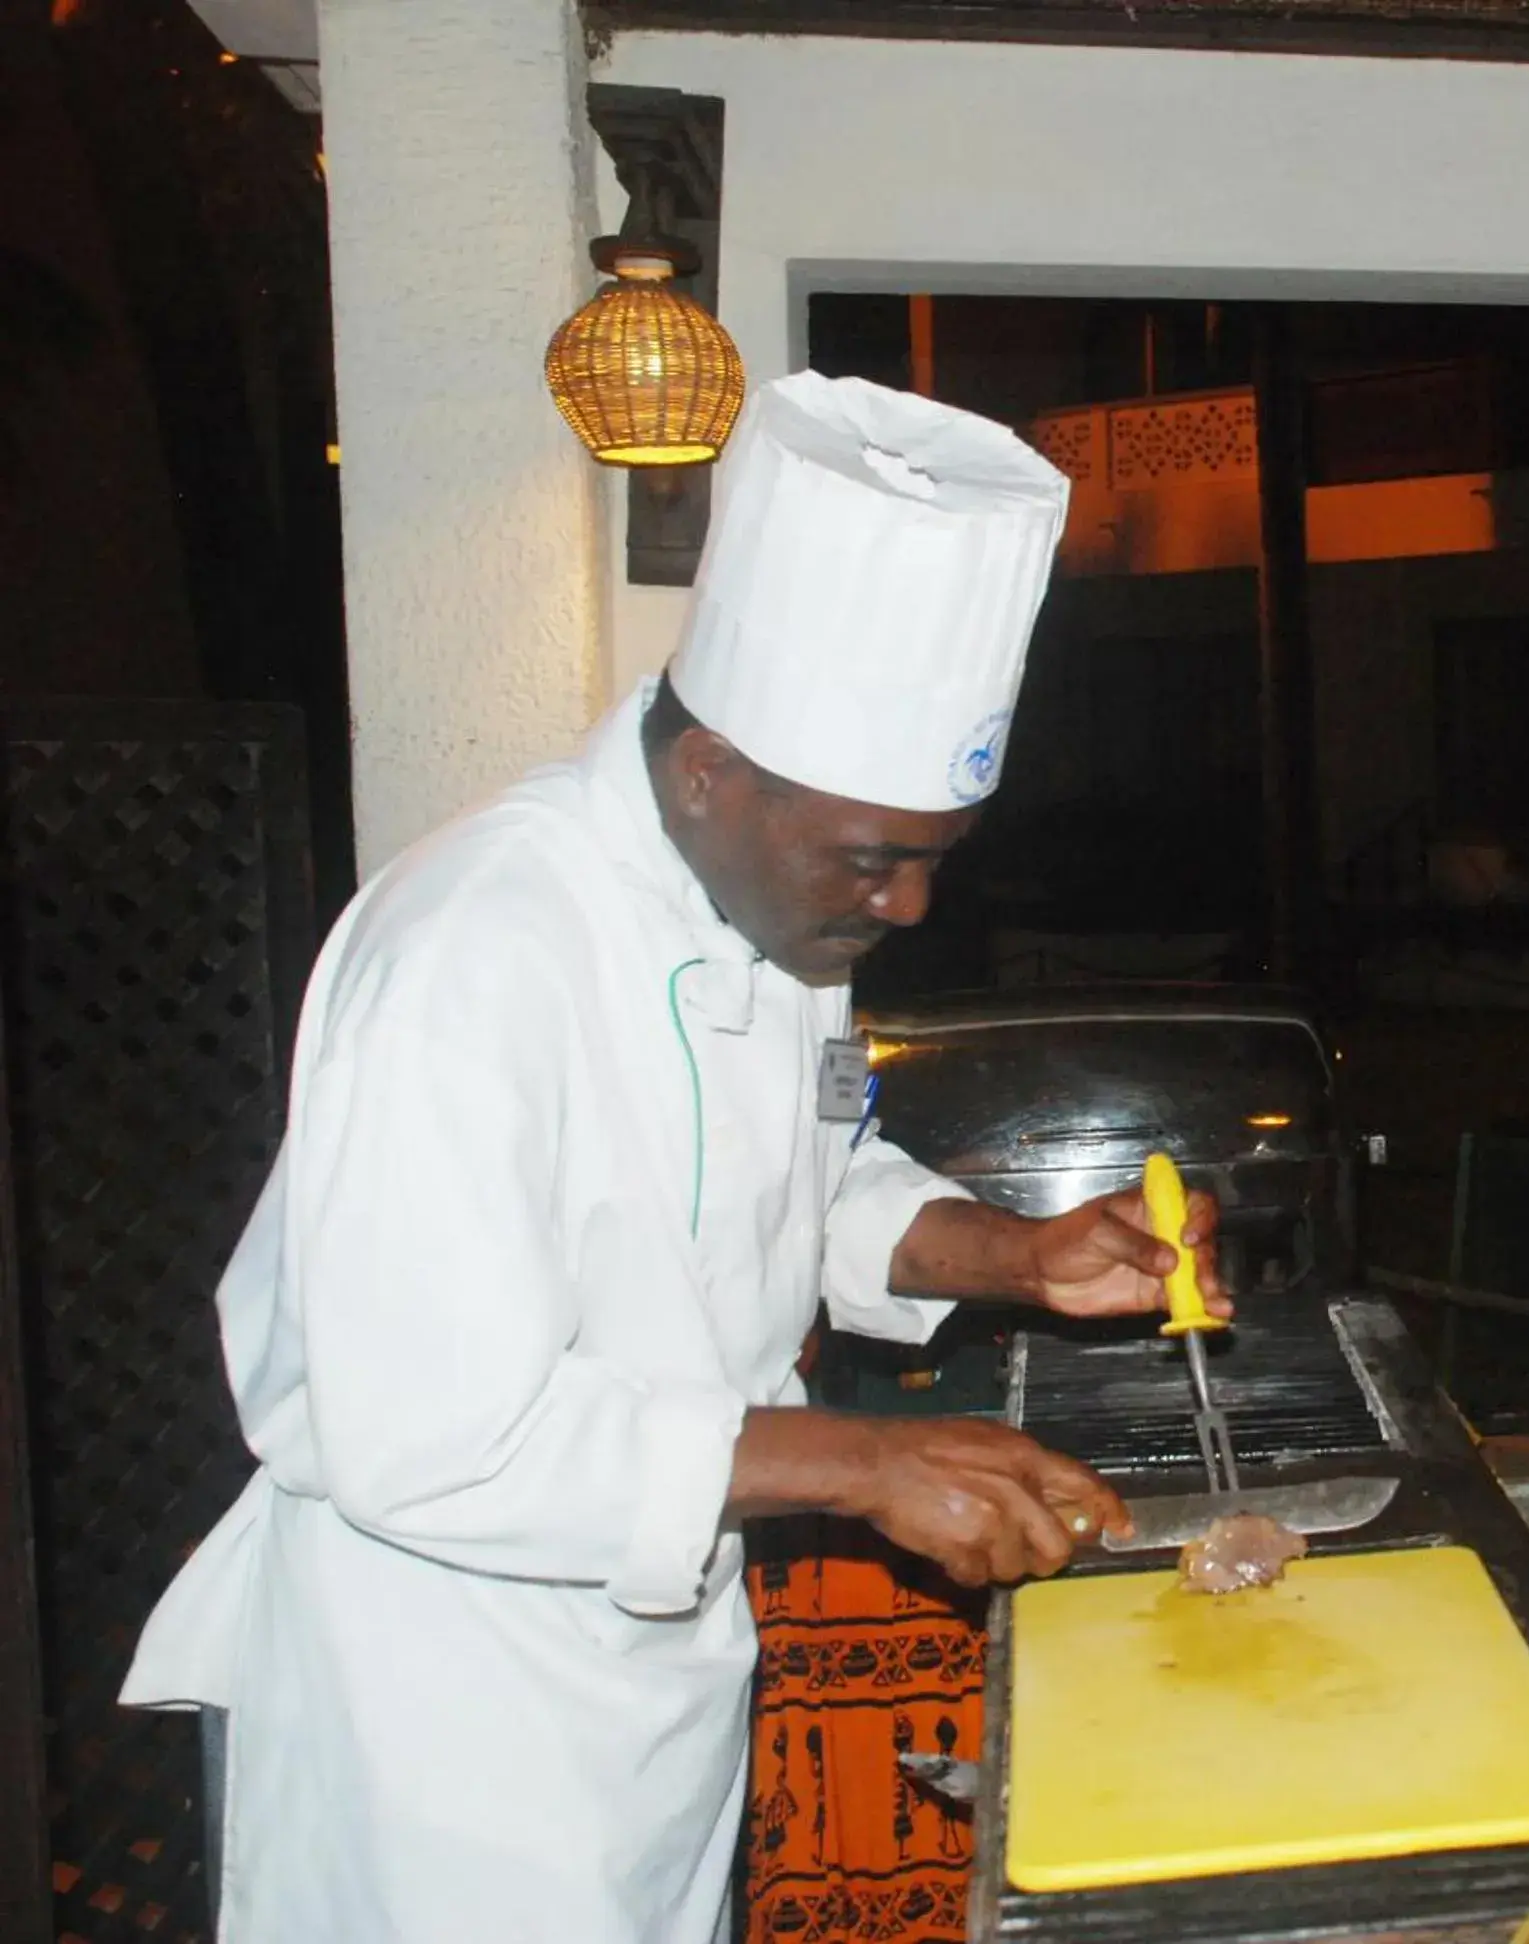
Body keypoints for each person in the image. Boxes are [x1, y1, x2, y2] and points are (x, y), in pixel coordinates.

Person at [117, 372, 1227, 1942]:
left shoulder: (783, 916)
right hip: (441, 1721)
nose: (905, 910)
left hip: (657, 1668)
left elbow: (811, 1180)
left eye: (932, 861)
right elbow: (434, 1438)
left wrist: (1016, 1251)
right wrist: (864, 1461)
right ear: (710, 772)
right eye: (876, 858)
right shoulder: (472, 951)